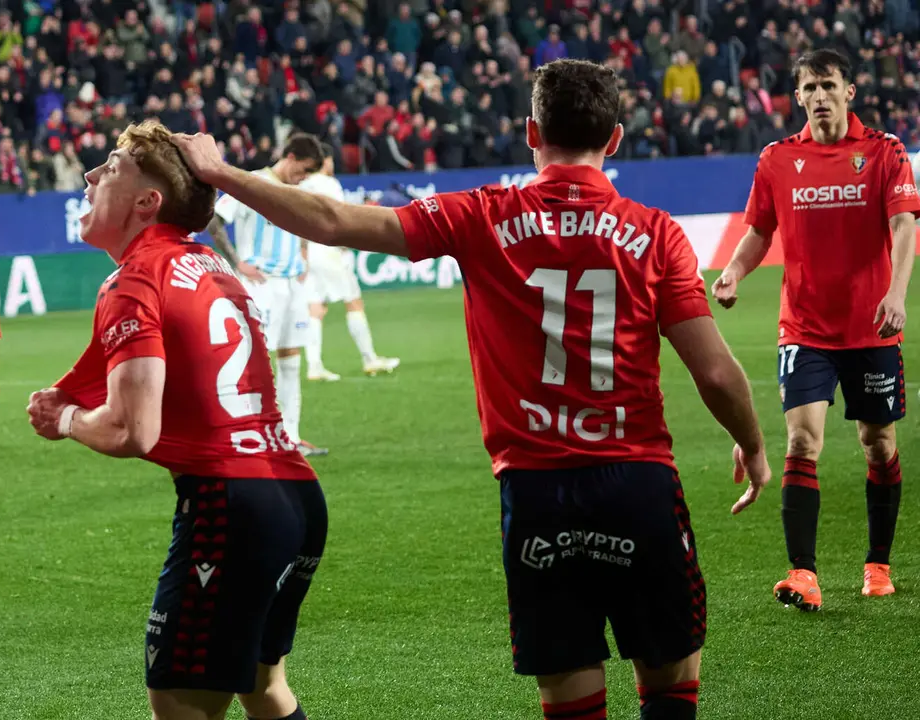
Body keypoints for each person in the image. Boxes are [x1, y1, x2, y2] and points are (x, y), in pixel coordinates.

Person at [173, 58, 771, 720]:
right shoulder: (657, 234)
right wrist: (751, 442)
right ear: (618, 138)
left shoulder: (482, 215)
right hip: (638, 485)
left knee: (571, 698)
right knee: (670, 688)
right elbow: (714, 371)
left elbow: (337, 223)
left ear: (530, 133)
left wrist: (224, 174)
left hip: (537, 493)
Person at [26, 119, 325, 720]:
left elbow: (132, 430)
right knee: (263, 690)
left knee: (180, 701)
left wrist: (66, 421)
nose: (89, 175)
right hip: (296, 499)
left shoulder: (136, 279)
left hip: (229, 507)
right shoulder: (211, 265)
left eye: (109, 166)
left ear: (146, 202)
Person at [713, 48, 918, 611]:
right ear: (797, 96)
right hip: (803, 329)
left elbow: (904, 227)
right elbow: (758, 229)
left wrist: (896, 294)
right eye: (810, 87)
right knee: (802, 439)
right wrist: (733, 269)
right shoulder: (778, 159)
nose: (820, 95)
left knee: (877, 445)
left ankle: (877, 561)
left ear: (849, 91)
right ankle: (802, 573)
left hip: (872, 327)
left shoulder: (883, 152)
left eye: (830, 85)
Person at [206, 133, 328, 457]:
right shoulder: (253, 183)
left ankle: (291, 436)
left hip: (292, 284)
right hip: (263, 285)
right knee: (257, 362)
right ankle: (253, 437)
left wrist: (302, 255)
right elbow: (214, 220)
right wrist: (236, 262)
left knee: (291, 360)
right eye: (301, 170)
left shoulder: (295, 190)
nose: (302, 178)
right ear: (288, 157)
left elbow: (303, 222)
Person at [298, 152, 401, 381]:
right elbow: (338, 215)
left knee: (316, 308)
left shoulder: (303, 185)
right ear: (325, 160)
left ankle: (314, 366)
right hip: (330, 251)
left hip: (311, 252)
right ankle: (369, 358)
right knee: (354, 302)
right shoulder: (329, 183)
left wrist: (303, 252)